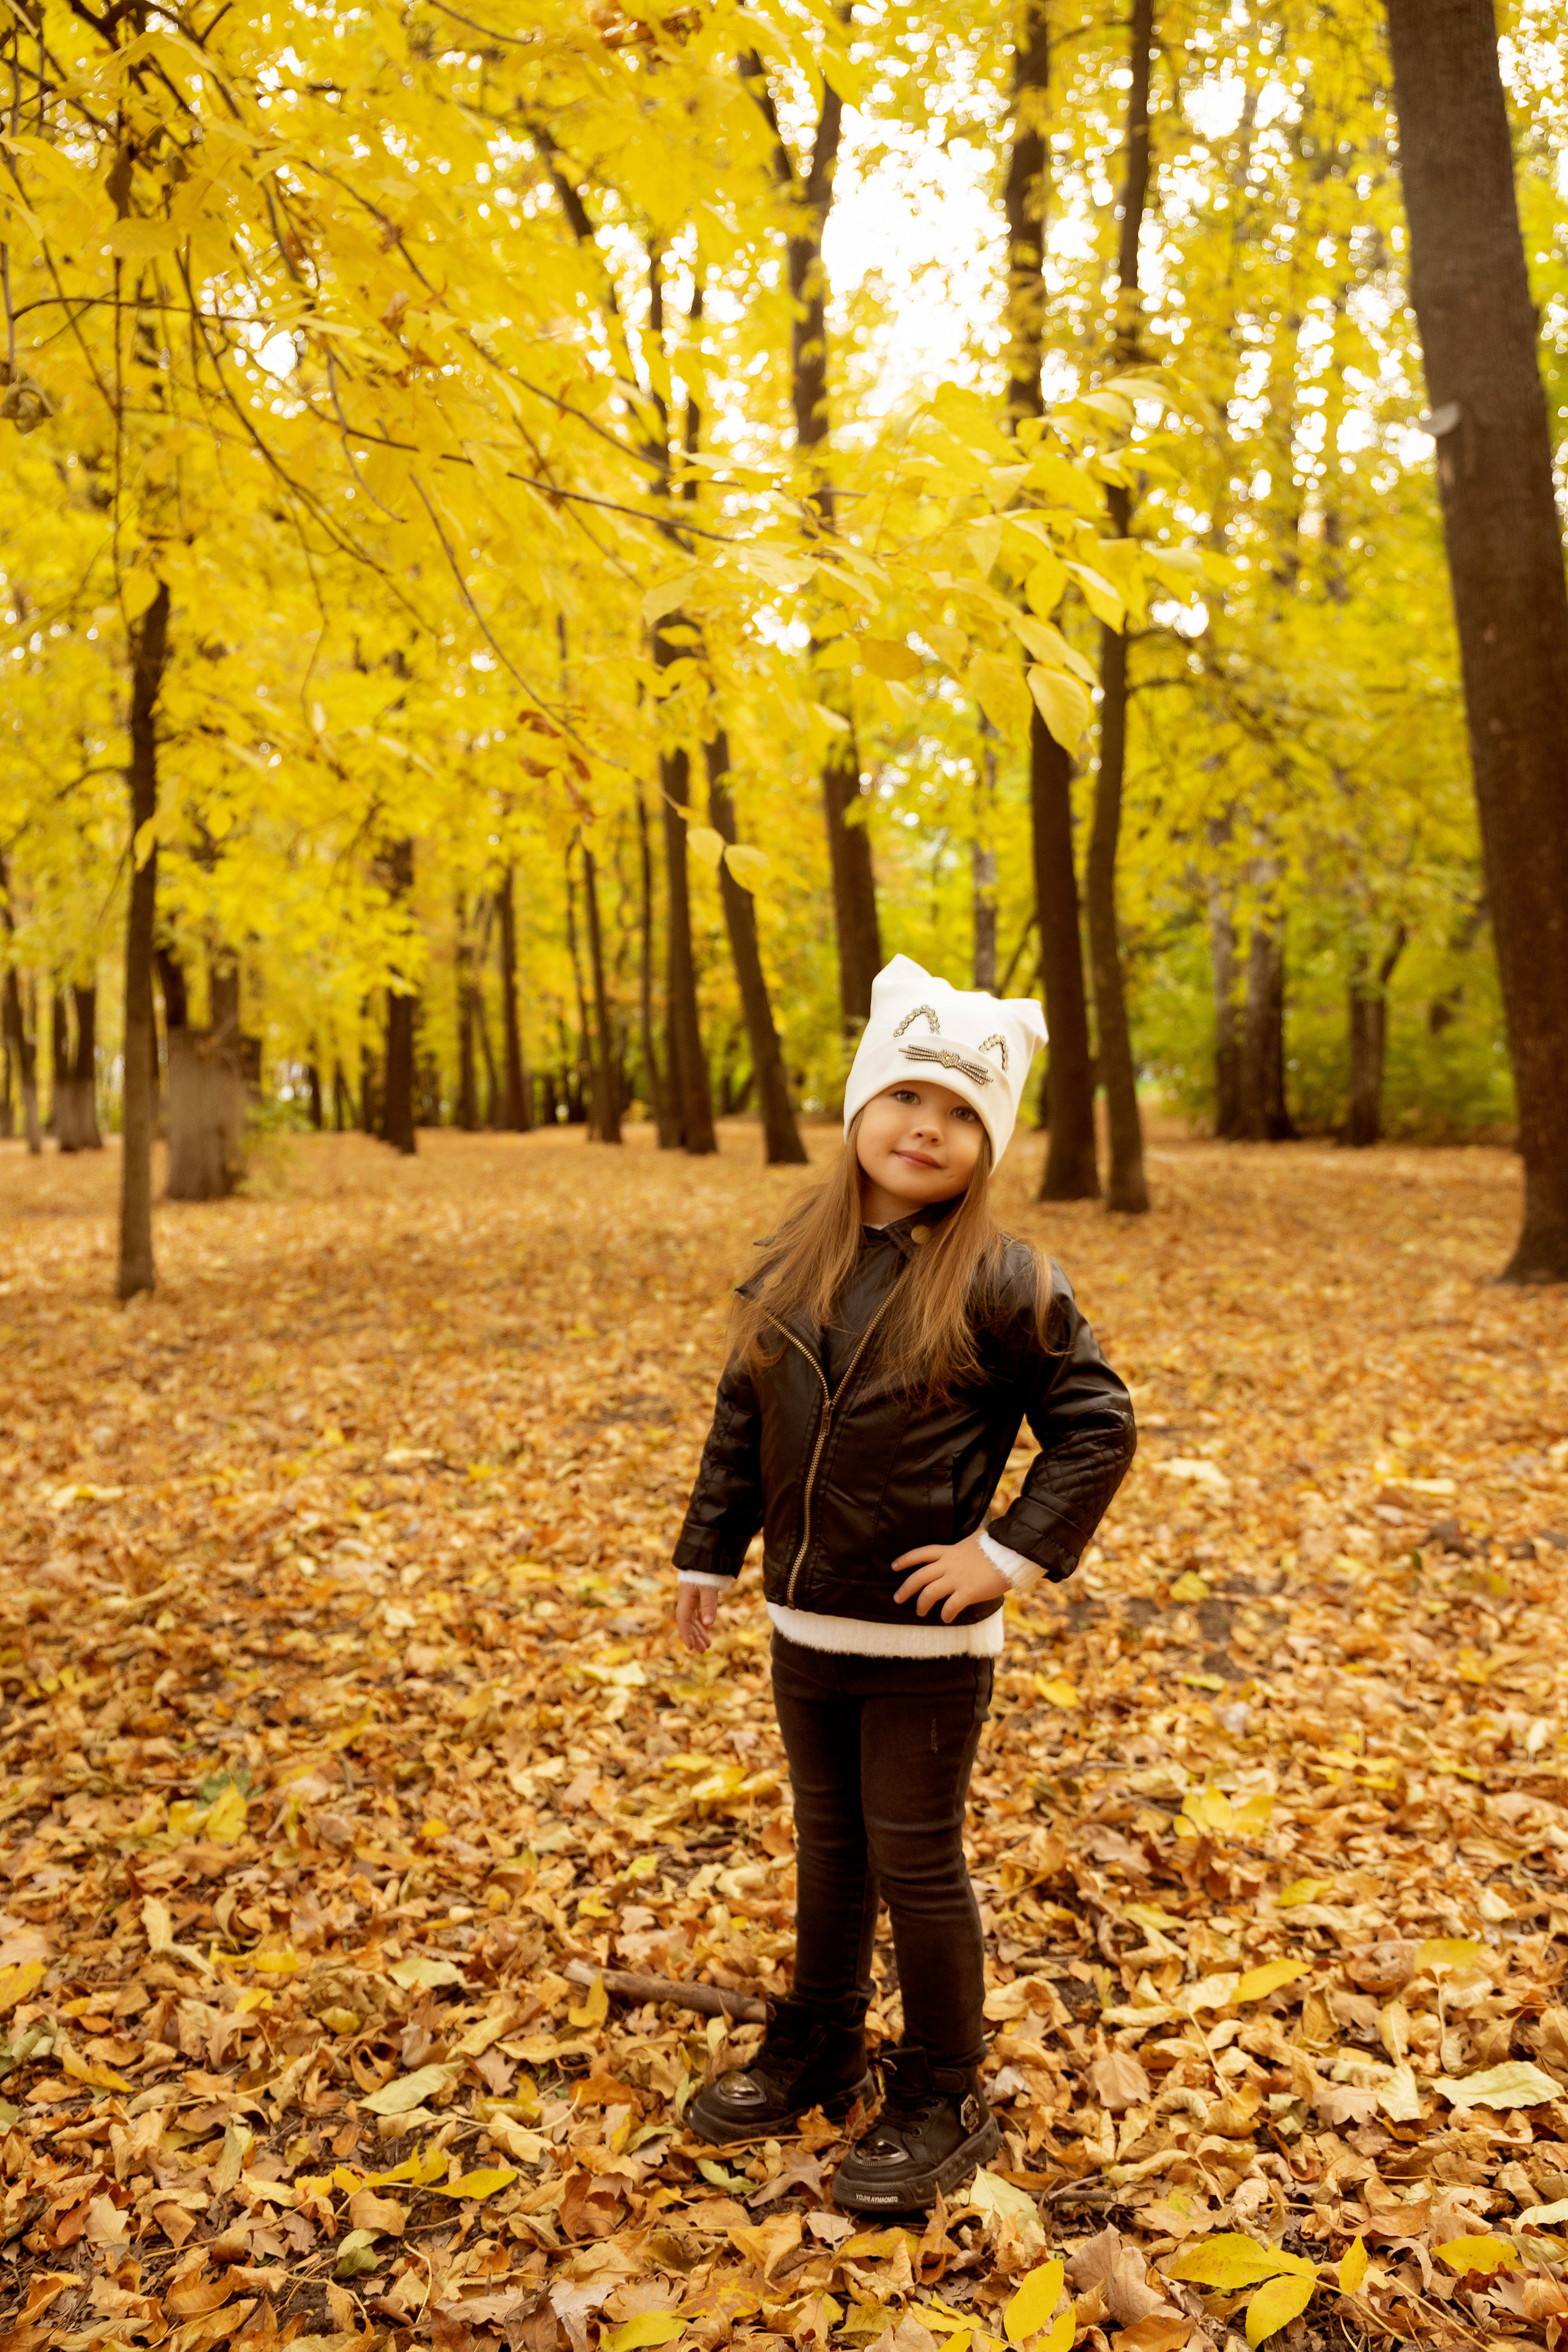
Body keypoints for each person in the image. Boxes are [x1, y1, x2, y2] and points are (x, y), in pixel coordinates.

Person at [672, 955, 1136, 2211]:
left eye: (959, 1114)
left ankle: (944, 2086)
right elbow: (741, 1418)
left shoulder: (1004, 1281)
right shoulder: (792, 1262)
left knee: (917, 1861)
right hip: (804, 1624)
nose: (925, 1127)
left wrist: (1003, 1553)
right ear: (861, 1106)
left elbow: (1096, 1424)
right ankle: (821, 2036)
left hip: (924, 1644)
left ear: (987, 1146)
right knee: (829, 1848)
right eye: (905, 1098)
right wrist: (708, 1552)